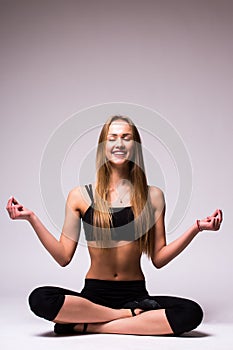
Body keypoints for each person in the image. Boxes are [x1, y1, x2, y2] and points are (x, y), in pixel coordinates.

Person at [6, 115, 223, 336]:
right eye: (112, 138)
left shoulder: (153, 196)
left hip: (135, 295)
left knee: (191, 312)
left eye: (126, 138)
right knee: (40, 298)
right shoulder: (80, 196)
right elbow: (63, 256)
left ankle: (86, 325)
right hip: (94, 296)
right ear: (104, 146)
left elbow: (159, 258)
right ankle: (129, 316)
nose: (119, 143)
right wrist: (31, 218)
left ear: (135, 146)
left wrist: (196, 228)